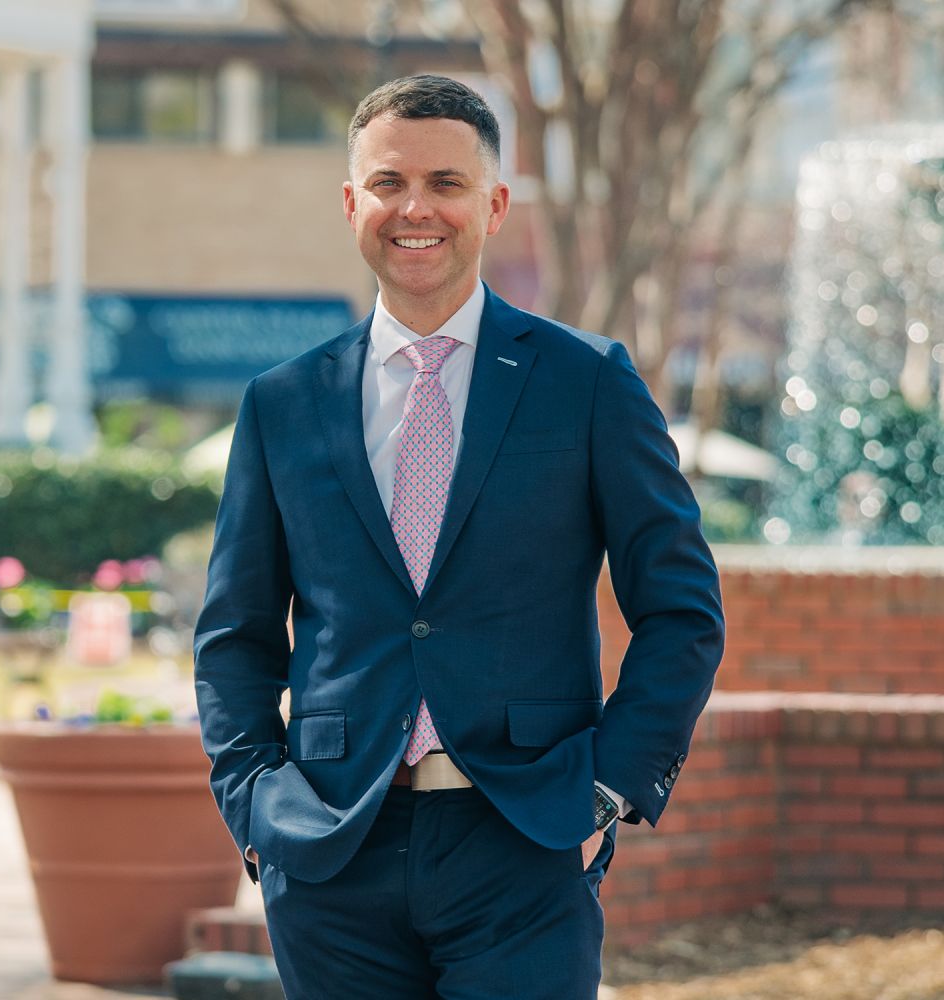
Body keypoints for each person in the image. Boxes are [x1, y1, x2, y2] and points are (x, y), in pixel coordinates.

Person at [194, 74, 724, 1000]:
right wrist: (255, 804)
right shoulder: (282, 402)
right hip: (329, 849)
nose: (416, 208)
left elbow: (681, 608)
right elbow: (235, 633)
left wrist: (610, 787)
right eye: (390, 183)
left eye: (446, 183)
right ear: (352, 203)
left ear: (495, 204)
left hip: (523, 839)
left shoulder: (587, 382)